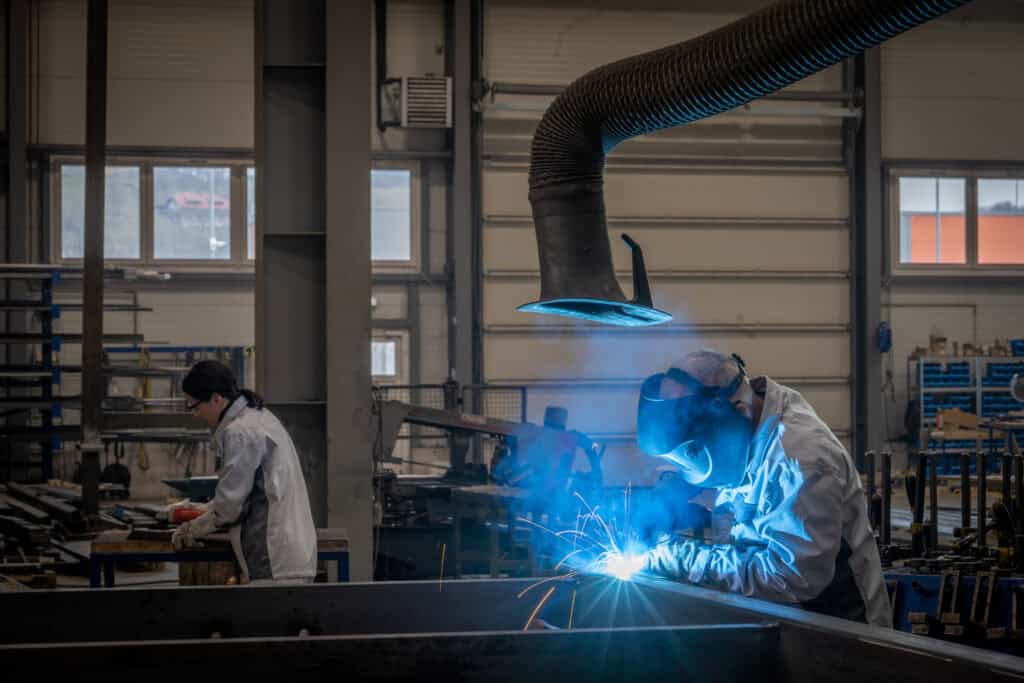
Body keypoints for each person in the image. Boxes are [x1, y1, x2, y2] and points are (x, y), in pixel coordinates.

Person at [635, 349, 891, 627]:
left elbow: (791, 579)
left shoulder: (801, 461)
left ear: (738, 412)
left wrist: (681, 559)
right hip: (772, 621)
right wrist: (678, 491)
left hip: (838, 633)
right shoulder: (743, 425)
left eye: (695, 453)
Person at [171, 361, 317, 584]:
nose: (195, 414)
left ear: (216, 399)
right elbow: (247, 491)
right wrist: (204, 509)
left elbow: (230, 508)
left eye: (195, 406)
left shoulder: (240, 432)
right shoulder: (257, 416)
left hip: (274, 559)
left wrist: (192, 529)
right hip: (286, 554)